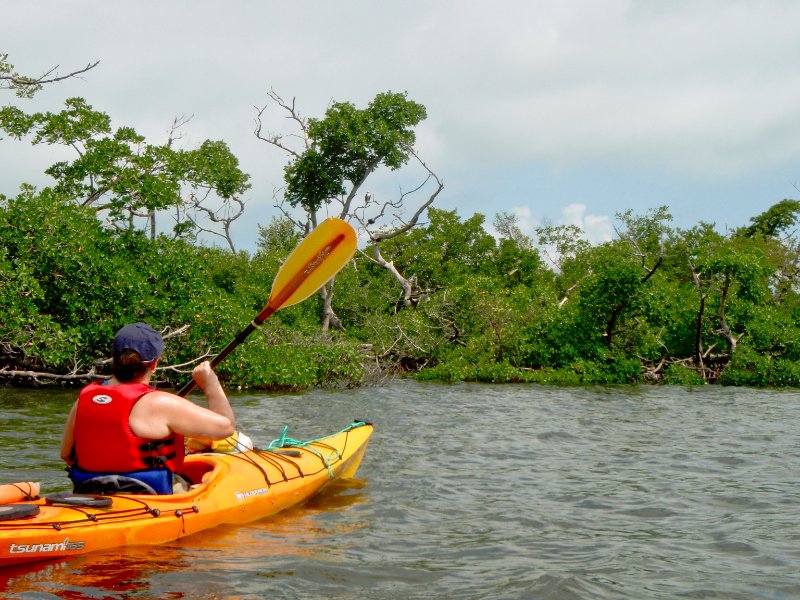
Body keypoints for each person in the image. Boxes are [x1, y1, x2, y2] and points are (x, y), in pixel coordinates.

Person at [60, 322, 236, 494]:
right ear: (154, 364)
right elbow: (226, 427)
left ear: (114, 359)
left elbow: (67, 454)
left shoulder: (84, 398)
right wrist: (210, 383)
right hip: (151, 495)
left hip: (89, 491)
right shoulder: (160, 403)